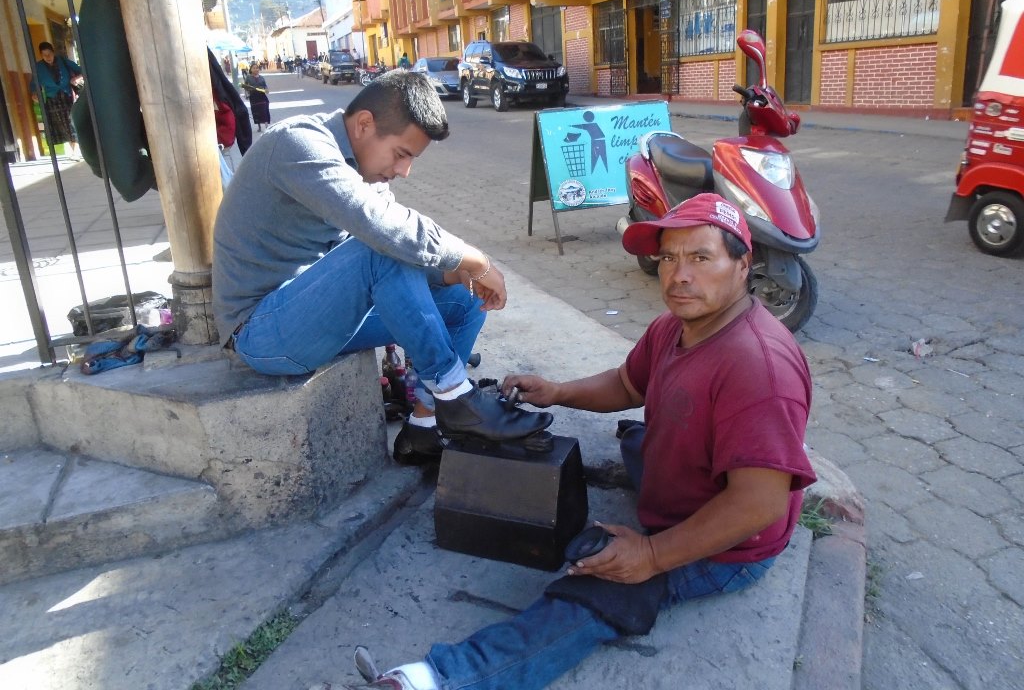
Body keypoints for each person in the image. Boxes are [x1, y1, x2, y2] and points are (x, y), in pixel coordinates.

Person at [316, 193, 817, 690]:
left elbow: (759, 503)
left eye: (701, 258)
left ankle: (437, 679)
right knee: (641, 438)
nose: (679, 275)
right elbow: (628, 385)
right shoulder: (677, 325)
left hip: (728, 547)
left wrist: (653, 555)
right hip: (684, 488)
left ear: (743, 264)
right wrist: (557, 392)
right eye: (668, 258)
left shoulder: (757, 366)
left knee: (592, 593)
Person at [213, 70, 552, 465]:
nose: (404, 171)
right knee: (382, 247)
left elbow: (395, 253)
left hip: (322, 315)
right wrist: (473, 259)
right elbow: (384, 232)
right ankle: (456, 398)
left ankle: (424, 427)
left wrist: (451, 273)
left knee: (464, 300)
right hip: (260, 333)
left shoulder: (364, 173)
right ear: (364, 125)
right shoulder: (297, 144)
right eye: (402, 153)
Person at [32, 41, 83, 160]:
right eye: (44, 55)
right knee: (62, 126)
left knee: (71, 123)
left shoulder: (63, 61)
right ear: (41, 55)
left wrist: (77, 78)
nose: (48, 57)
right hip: (52, 100)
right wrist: (34, 93)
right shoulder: (38, 68)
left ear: (53, 52)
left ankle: (75, 151)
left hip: (67, 96)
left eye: (49, 54)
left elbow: (81, 70)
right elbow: (34, 83)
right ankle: (74, 150)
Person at [243, 65, 271, 131]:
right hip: (253, 97)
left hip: (262, 96)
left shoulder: (262, 78)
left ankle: (266, 126)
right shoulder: (248, 77)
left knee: (264, 110)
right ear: (251, 70)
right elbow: (245, 86)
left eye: (257, 68)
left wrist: (266, 89)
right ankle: (259, 126)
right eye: (254, 68)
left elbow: (265, 86)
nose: (256, 69)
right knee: (256, 111)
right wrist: (247, 93)